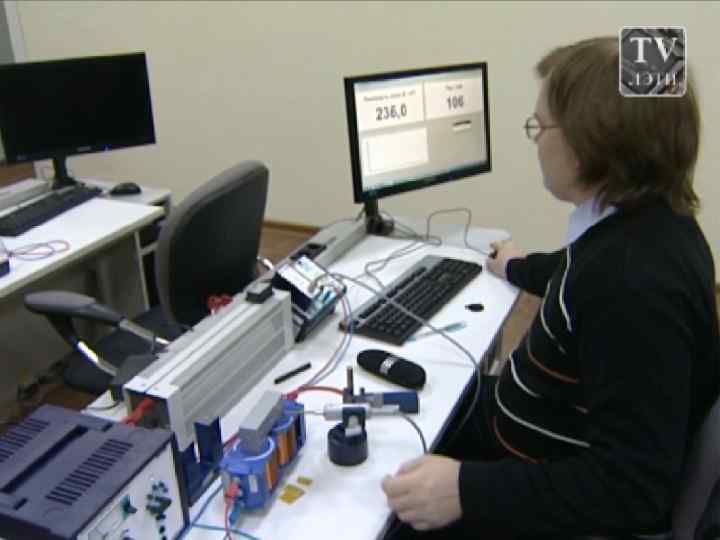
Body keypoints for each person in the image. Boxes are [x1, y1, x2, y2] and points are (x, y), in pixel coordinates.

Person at [381, 36, 720, 539]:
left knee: (380, 517)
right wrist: (517, 267)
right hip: (522, 439)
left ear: (590, 144)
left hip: (546, 501)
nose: (536, 140)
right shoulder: (644, 223)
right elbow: (577, 272)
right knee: (423, 402)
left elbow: (633, 488)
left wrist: (464, 490)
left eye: (540, 127)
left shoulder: (635, 285)